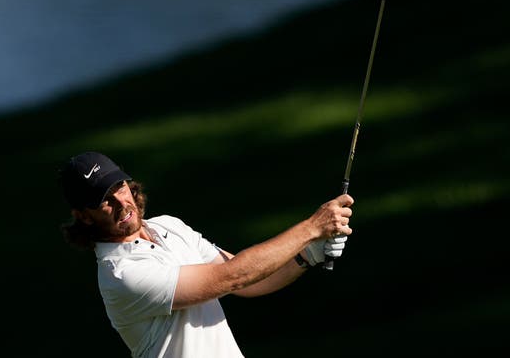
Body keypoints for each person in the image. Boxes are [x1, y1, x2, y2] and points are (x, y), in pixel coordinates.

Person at [59, 151, 353, 358]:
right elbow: (233, 276)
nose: (120, 203)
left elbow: (250, 281)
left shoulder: (167, 226)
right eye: (103, 201)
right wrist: (311, 228)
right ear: (84, 216)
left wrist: (306, 255)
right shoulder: (122, 275)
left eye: (119, 187)